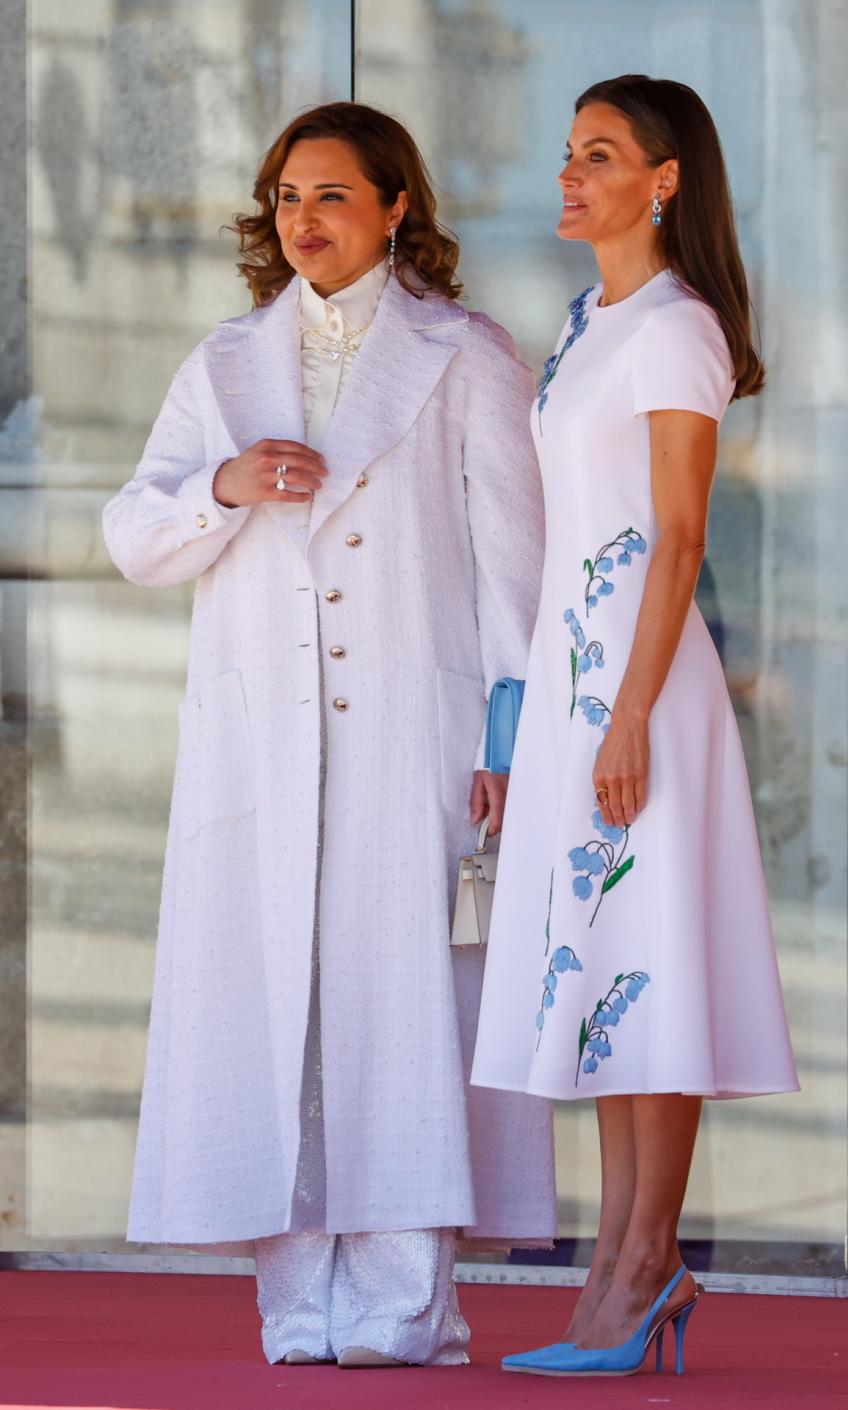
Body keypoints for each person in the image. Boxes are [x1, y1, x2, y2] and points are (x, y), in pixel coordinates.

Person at [103, 100, 555, 1370]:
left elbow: (515, 569)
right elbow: (133, 535)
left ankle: (407, 1304)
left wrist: (510, 738)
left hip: (416, 734)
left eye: (334, 196)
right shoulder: (225, 366)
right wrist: (221, 486)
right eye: (289, 198)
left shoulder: (467, 354)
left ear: (396, 205)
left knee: (406, 1006)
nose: (306, 220)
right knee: (272, 1007)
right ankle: (297, 1305)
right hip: (260, 748)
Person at [471, 74, 799, 1378]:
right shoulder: (590, 321)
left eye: (598, 155)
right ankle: (618, 1262)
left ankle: (645, 1260)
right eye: (568, 152)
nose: (569, 173)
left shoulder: (675, 328)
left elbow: (677, 538)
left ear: (664, 179)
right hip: (575, 685)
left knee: (649, 963)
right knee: (608, 970)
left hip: (637, 691)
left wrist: (627, 715)